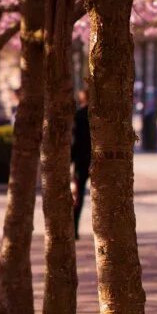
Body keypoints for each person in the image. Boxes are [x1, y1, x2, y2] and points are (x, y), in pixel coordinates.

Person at [71, 89, 92, 239]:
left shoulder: (78, 116)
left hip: (81, 160)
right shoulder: (100, 117)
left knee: (78, 196)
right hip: (97, 159)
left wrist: (70, 159)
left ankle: (74, 229)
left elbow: (74, 141)